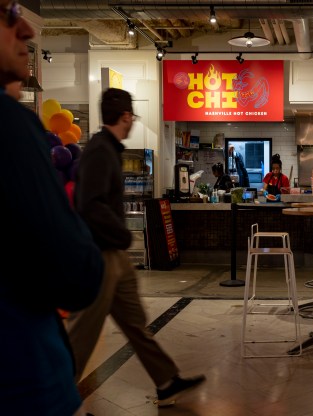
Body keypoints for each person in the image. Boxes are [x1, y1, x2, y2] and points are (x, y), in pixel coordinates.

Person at [67, 88, 205, 408]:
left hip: (115, 257)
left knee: (136, 323)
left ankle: (167, 381)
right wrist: (122, 234)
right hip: (101, 257)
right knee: (83, 333)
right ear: (125, 115)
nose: (132, 122)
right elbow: (89, 204)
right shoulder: (101, 150)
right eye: (132, 116)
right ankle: (55, 395)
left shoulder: (110, 149)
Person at [0, 3, 104, 415]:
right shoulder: (9, 125)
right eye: (7, 14)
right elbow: (75, 274)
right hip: (24, 380)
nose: (26, 28)